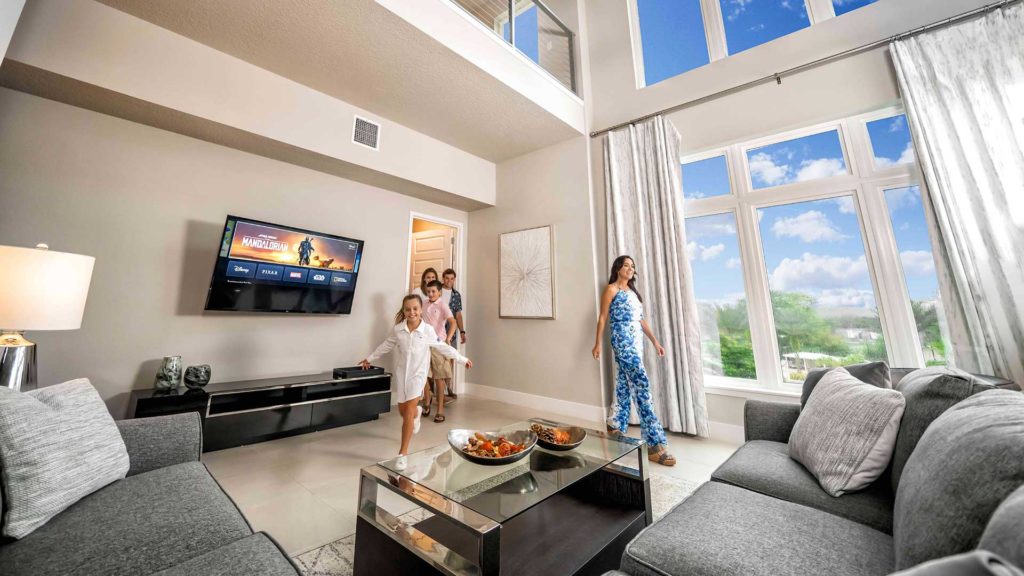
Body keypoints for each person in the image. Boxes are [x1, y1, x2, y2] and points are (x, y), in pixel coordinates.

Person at [359, 294, 471, 471]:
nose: (412, 312)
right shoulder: (398, 330)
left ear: (421, 311)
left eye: (415, 309)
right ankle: (417, 414)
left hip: (418, 377)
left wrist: (461, 359)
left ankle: (402, 454)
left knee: (408, 412)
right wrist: (369, 358)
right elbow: (386, 345)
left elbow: (442, 347)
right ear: (404, 311)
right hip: (402, 374)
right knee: (404, 412)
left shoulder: (427, 331)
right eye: (408, 309)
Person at [592, 256, 677, 467]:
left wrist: (655, 341)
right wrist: (597, 344)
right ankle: (654, 444)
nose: (630, 269)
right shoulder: (611, 289)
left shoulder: (633, 294)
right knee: (641, 386)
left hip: (636, 343)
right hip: (622, 341)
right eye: (626, 265)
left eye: (632, 266)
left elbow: (640, 320)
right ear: (618, 268)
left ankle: (614, 425)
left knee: (623, 384)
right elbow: (603, 317)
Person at [420, 280, 457, 423]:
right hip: (424, 343)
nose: (430, 294)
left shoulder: (442, 305)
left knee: (439, 377)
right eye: (428, 291)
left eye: (433, 291)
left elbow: (452, 322)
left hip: (438, 344)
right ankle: (427, 398)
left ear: (439, 292)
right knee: (423, 374)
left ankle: (440, 409)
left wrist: (448, 338)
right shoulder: (423, 303)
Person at [441, 268, 466, 401]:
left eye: (452, 278)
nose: (449, 281)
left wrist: (462, 331)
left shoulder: (456, 295)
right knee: (437, 359)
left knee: (450, 359)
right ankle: (436, 390)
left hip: (452, 332)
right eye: (447, 278)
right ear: (443, 278)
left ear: (454, 279)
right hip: (437, 331)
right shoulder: (436, 291)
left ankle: (448, 387)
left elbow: (458, 315)